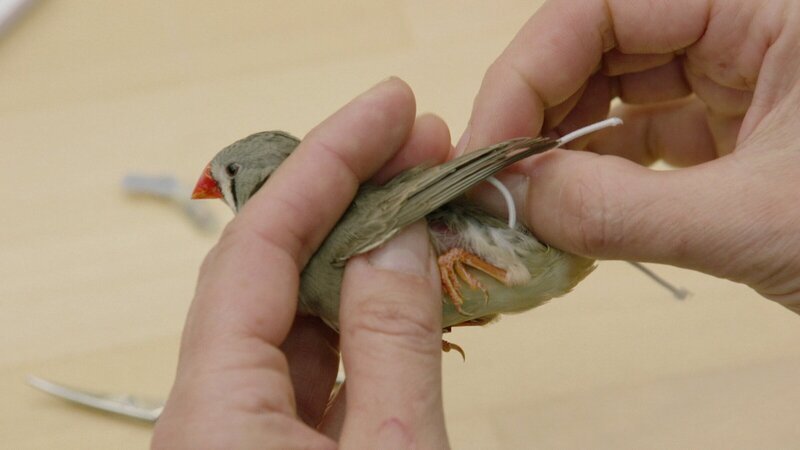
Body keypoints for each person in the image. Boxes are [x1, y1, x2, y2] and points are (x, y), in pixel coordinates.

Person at [151, 0, 800, 447]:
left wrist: (480, 196)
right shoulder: (299, 280)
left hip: (503, 235)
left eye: (226, 176)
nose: (213, 187)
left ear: (259, 181)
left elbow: (425, 201)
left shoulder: (323, 245)